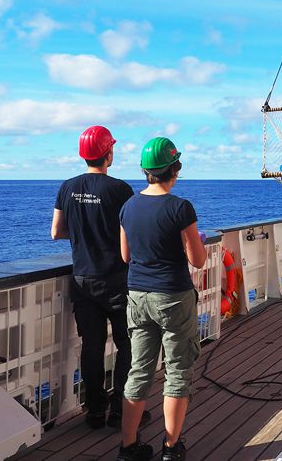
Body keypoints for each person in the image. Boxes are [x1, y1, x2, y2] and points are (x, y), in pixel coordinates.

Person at [117, 137, 207, 461]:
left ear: (145, 171)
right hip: (172, 298)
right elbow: (197, 260)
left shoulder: (128, 207)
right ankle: (171, 448)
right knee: (178, 371)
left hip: (137, 297)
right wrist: (193, 242)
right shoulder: (180, 207)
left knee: (139, 371)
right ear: (175, 169)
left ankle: (128, 448)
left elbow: (126, 255)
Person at [52, 126, 144, 430]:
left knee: (91, 347)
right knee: (126, 345)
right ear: (108, 153)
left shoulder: (67, 187)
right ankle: (121, 410)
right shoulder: (120, 190)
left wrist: (82, 235)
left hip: (83, 280)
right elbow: (131, 235)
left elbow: (56, 232)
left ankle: (94, 411)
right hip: (118, 280)